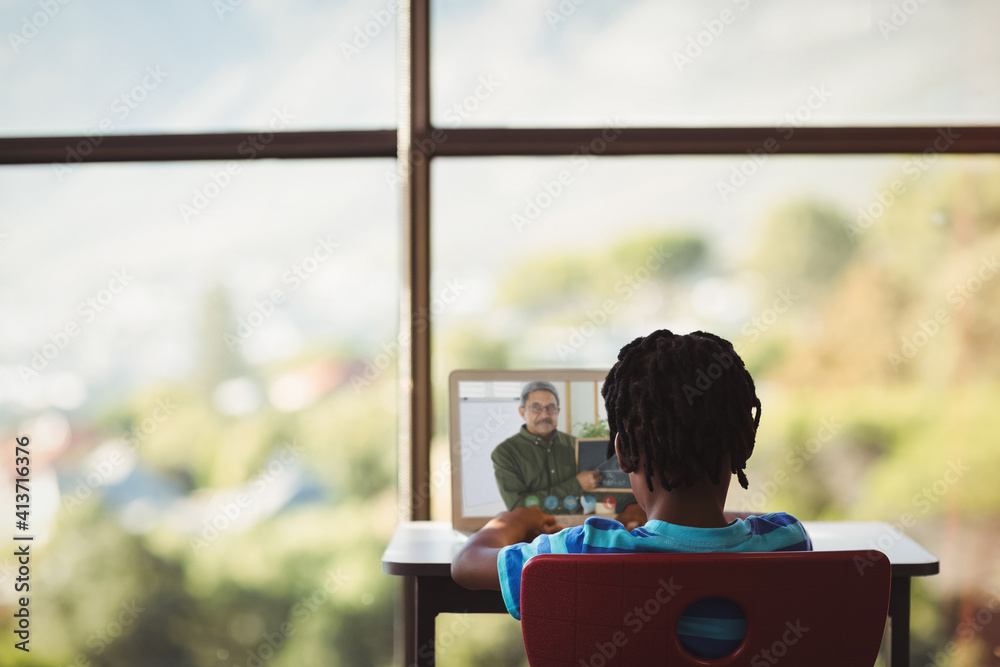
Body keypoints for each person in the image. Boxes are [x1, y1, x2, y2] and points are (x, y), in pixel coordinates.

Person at [453, 330, 812, 659]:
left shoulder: (584, 549)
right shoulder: (788, 541)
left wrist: (514, 519)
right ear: (744, 442)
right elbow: (734, 527)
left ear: (621, 452)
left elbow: (466, 564)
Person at [490, 381, 602, 514]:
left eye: (551, 407)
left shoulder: (575, 445)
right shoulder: (505, 453)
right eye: (536, 407)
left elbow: (596, 490)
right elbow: (519, 506)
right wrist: (575, 486)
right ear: (522, 412)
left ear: (558, 411)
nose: (545, 414)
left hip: (574, 529)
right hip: (532, 532)